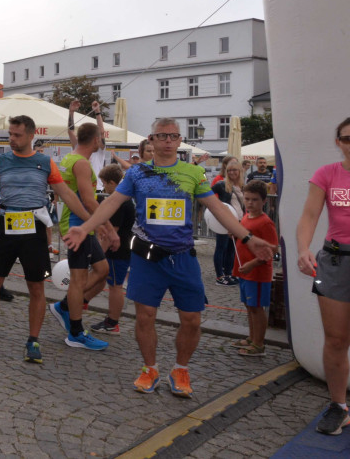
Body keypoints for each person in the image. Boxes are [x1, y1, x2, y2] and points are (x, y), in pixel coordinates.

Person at [68, 118, 276, 397]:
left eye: (173, 136)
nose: (167, 140)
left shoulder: (193, 173)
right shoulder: (137, 173)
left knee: (191, 319)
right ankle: (149, 368)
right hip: (146, 258)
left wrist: (248, 238)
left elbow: (219, 209)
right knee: (145, 317)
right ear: (151, 140)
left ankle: (181, 369)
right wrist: (85, 227)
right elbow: (112, 203)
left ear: (179, 141)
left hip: (183, 258)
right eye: (161, 136)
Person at [0, 115, 94, 364]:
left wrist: (92, 221)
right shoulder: (1, 162)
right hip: (6, 226)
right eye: (10, 134)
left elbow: (67, 194)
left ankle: (33, 340)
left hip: (33, 228)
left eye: (17, 135)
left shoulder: (45, 162)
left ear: (31, 135)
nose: (12, 139)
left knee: (36, 287)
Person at [295, 117, 350, 435]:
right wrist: (303, 248)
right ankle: (338, 406)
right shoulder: (327, 174)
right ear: (338, 142)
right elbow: (310, 215)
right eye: (347, 138)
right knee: (336, 339)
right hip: (335, 261)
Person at [50, 121, 118, 351]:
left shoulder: (73, 157)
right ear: (96, 139)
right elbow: (89, 200)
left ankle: (64, 306)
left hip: (82, 224)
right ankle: (76, 332)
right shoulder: (80, 163)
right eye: (101, 138)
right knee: (78, 280)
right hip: (77, 225)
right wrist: (107, 226)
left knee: (102, 270)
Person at [89, 164, 136, 336]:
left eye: (104, 183)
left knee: (115, 286)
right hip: (122, 249)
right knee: (109, 283)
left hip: (118, 251)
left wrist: (99, 255)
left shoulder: (119, 203)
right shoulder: (125, 200)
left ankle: (112, 322)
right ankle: (84, 301)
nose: (103, 187)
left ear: (111, 182)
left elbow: (111, 233)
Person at [231, 180, 276, 357]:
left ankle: (259, 344)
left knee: (257, 308)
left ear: (264, 201)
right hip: (245, 271)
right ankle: (252, 337)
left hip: (257, 273)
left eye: (255, 200)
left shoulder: (265, 222)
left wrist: (252, 264)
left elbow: (272, 249)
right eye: (247, 199)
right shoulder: (245, 217)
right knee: (249, 306)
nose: (250, 203)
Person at [211, 157, 245, 286]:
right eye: (229, 170)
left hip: (238, 220)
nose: (232, 173)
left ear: (240, 171)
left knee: (232, 248)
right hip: (224, 220)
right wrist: (217, 208)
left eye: (234, 170)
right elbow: (207, 194)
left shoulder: (242, 185)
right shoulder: (221, 184)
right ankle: (220, 276)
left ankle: (229, 273)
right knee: (221, 247)